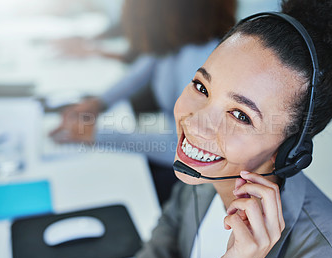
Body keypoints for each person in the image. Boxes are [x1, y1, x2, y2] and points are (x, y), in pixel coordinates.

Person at [134, 0, 332, 258]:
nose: (196, 124)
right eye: (202, 87)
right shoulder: (201, 179)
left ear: (290, 151)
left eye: (240, 115)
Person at [50, 0, 237, 205]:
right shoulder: (175, 43)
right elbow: (137, 74)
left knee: (100, 185)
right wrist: (98, 103)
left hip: (189, 174)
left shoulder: (202, 62)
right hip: (169, 154)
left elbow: (182, 148)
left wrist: (98, 134)